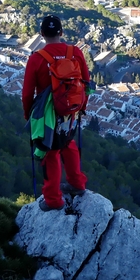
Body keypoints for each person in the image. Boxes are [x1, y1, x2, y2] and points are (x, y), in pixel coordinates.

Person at [22, 15, 89, 211]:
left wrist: (29, 115)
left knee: (49, 151)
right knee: (68, 142)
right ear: (61, 32)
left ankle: (53, 199)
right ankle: (77, 184)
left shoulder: (37, 59)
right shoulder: (75, 52)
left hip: (47, 114)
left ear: (42, 34)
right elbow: (87, 82)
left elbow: (27, 93)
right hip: (71, 110)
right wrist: (81, 106)